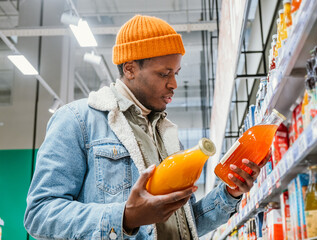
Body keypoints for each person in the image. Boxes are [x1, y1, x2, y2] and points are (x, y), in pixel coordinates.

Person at [24, 15, 267, 240]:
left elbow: (182, 222)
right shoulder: (77, 120)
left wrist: (229, 193)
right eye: (164, 74)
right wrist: (125, 217)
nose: (174, 84)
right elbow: (39, 214)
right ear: (129, 69)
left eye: (176, 73)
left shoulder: (167, 135)